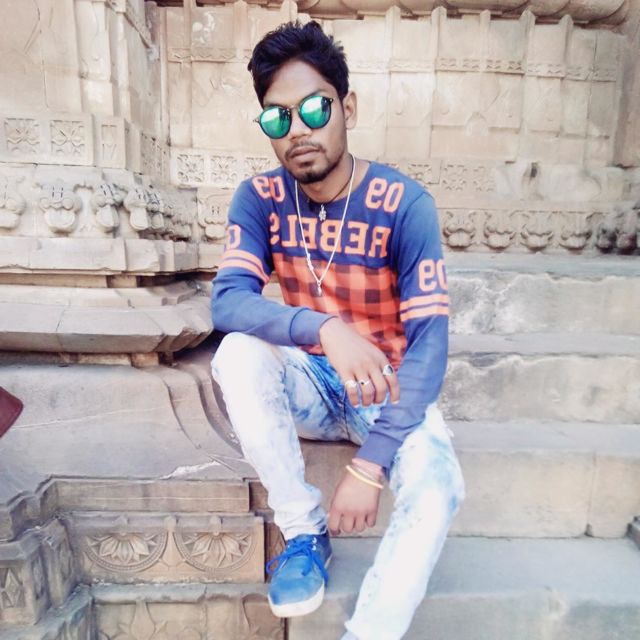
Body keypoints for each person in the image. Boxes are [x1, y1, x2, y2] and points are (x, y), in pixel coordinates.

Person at [211, 20, 465, 640]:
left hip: (387, 390)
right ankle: (304, 533)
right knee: (238, 354)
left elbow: (429, 347)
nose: (297, 130)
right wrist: (323, 328)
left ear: (347, 108)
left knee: (438, 487)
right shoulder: (260, 198)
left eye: (314, 109)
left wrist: (370, 465)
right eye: (278, 118)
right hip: (312, 383)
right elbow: (228, 302)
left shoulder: (404, 204)